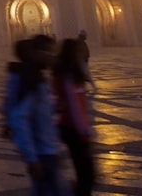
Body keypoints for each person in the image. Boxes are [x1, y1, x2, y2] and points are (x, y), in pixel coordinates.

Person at [4, 35, 61, 196]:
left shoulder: (37, 78)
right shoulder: (31, 80)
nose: (53, 57)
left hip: (47, 151)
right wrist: (31, 157)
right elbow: (19, 116)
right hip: (42, 153)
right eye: (50, 53)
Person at [53, 38, 95, 196]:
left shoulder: (71, 75)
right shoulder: (66, 76)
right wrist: (84, 130)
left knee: (86, 174)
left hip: (74, 130)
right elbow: (73, 105)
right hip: (74, 130)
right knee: (86, 174)